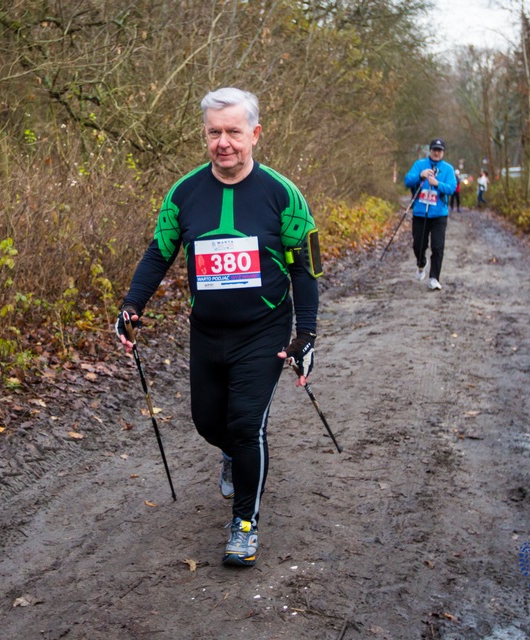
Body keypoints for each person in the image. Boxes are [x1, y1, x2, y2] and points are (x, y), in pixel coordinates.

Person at [115, 87, 321, 568]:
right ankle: (232, 453)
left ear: (255, 133)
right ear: (204, 134)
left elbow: (305, 271)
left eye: (233, 131)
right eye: (214, 132)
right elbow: (159, 253)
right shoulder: (184, 193)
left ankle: (245, 524)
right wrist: (131, 305)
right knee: (209, 422)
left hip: (265, 330)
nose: (223, 142)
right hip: (207, 331)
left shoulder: (284, 195)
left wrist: (306, 335)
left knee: (246, 425)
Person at [403, 138, 457, 291]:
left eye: (439, 150)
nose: (436, 153)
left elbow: (452, 188)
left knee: (438, 247)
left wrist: (437, 184)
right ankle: (421, 263)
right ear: (430, 150)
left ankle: (434, 278)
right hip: (420, 213)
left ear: (443, 153)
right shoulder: (419, 164)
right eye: (434, 150)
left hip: (439, 214)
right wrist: (420, 176)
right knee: (418, 245)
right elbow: (407, 181)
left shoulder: (448, 169)